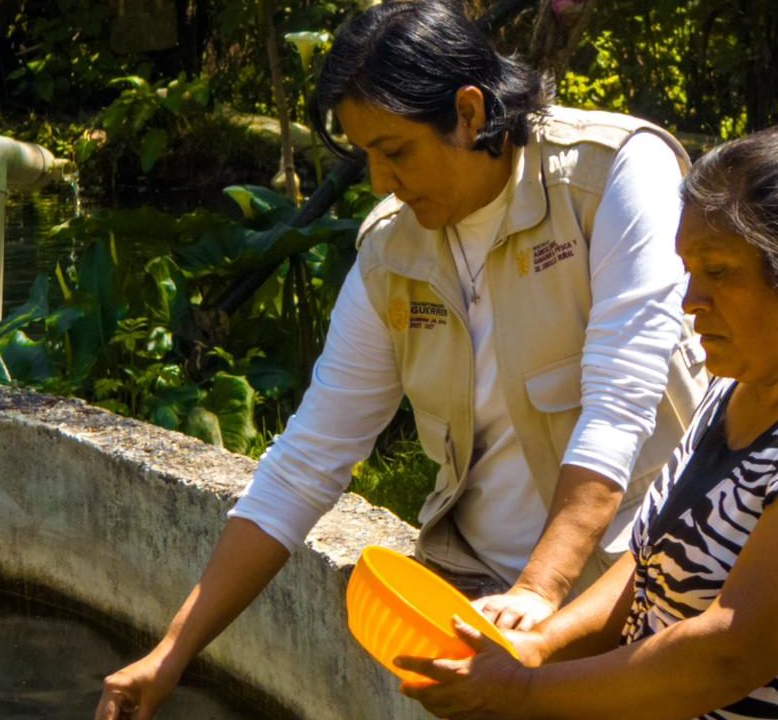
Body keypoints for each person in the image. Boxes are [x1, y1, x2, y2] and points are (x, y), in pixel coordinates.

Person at [95, 1, 708, 717]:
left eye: (396, 151)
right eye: (367, 156)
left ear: (469, 114)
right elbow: (306, 460)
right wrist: (172, 652)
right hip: (476, 593)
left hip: (637, 580)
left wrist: (539, 595)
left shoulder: (614, 173)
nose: (381, 181)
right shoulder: (392, 249)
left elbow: (619, 403)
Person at [395, 101, 778, 720]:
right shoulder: (747, 379)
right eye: (689, 269)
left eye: (718, 271)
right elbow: (656, 560)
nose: (691, 300)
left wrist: (520, 691)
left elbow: (727, 655)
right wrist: (534, 647)